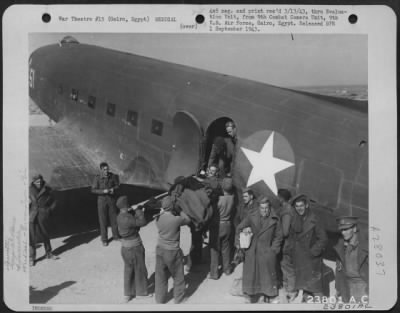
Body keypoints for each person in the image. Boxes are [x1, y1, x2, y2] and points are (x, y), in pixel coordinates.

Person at [236, 197, 283, 303]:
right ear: (258, 208)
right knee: (251, 274)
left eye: (266, 208)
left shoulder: (275, 219)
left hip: (267, 250)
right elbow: (239, 228)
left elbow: (278, 236)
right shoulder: (251, 216)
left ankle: (270, 295)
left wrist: (274, 250)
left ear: (269, 207)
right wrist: (240, 244)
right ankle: (249, 295)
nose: (264, 210)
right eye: (262, 208)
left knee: (267, 275)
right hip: (252, 250)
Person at [289, 194, 327, 300]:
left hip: (311, 261)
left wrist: (313, 252)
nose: (299, 209)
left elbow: (323, 239)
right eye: (297, 206)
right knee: (304, 291)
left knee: (316, 291)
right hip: (299, 259)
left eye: (301, 206)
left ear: (306, 205)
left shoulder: (315, 219)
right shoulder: (295, 219)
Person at [155, 196, 191, 304]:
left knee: (160, 276)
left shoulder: (158, 218)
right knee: (178, 275)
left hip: (160, 249)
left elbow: (161, 216)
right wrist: (179, 210)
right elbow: (187, 219)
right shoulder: (176, 220)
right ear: (172, 206)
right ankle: (179, 298)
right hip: (172, 251)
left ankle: (160, 299)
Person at [116, 196, 150, 303]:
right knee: (140, 268)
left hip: (125, 248)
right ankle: (141, 293)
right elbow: (143, 222)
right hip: (135, 247)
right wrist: (139, 211)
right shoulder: (128, 218)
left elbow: (133, 224)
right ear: (127, 206)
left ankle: (128, 293)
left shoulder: (120, 216)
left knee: (128, 270)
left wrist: (133, 211)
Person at [334, 216, 368, 303]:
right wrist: (338, 289)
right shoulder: (340, 246)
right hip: (347, 287)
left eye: (346, 229)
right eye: (341, 230)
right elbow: (339, 269)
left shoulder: (365, 246)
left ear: (355, 228)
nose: (343, 232)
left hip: (363, 287)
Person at [29, 174, 59, 266]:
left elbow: (55, 201)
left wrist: (49, 210)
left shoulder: (48, 189)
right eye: (37, 181)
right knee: (31, 237)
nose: (39, 183)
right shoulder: (29, 190)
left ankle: (48, 253)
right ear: (33, 182)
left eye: (40, 181)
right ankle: (31, 258)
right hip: (32, 214)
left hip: (43, 214)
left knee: (45, 234)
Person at [209, 177, 235, 279]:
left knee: (214, 249)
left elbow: (211, 212)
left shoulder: (219, 200)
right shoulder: (232, 198)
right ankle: (227, 269)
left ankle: (214, 273)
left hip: (217, 225)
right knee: (226, 247)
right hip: (228, 224)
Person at [91, 162, 120, 246]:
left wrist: (114, 189)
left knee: (114, 218)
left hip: (111, 199)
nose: (106, 171)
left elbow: (117, 185)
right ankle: (104, 239)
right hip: (102, 200)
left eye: (107, 169)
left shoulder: (112, 176)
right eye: (104, 170)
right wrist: (103, 191)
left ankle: (116, 236)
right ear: (101, 170)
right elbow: (93, 190)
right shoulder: (97, 178)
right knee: (103, 220)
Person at [276, 188, 296, 301]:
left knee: (288, 267)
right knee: (284, 266)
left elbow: (285, 231)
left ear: (281, 198)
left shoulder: (287, 210)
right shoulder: (287, 209)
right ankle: (287, 287)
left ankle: (292, 291)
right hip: (287, 243)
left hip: (287, 244)